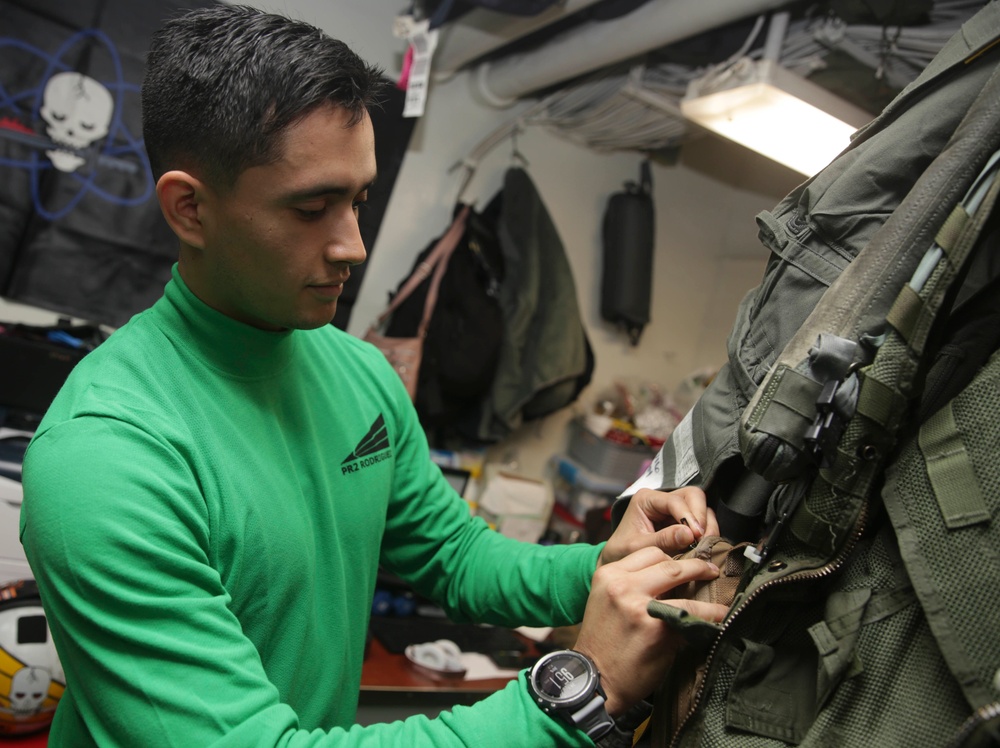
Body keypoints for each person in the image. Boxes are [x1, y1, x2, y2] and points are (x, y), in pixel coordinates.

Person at [18, 5, 727, 746]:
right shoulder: (105, 460)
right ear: (191, 209)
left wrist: (600, 565)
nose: (352, 246)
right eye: (313, 208)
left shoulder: (357, 372)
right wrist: (583, 693)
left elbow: (454, 556)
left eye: (358, 201)